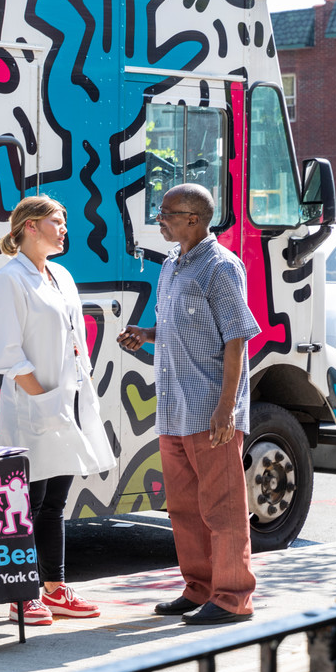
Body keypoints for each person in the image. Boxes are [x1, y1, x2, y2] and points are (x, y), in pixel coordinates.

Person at [117, 183, 261, 625]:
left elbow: (236, 339)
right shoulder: (171, 266)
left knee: (223, 507)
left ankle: (233, 596)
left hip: (209, 411)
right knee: (183, 508)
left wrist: (227, 408)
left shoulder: (221, 267)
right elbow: (178, 327)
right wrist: (146, 335)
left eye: (167, 213)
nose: (160, 219)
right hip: (174, 410)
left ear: (194, 219)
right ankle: (199, 588)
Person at [0, 196, 116, 626]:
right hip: (32, 407)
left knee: (55, 502)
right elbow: (6, 352)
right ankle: (21, 595)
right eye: (58, 221)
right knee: (26, 501)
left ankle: (55, 589)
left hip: (67, 404)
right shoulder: (10, 279)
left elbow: (75, 339)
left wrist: (73, 393)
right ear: (30, 227)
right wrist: (42, 398)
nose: (64, 229)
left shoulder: (60, 275)